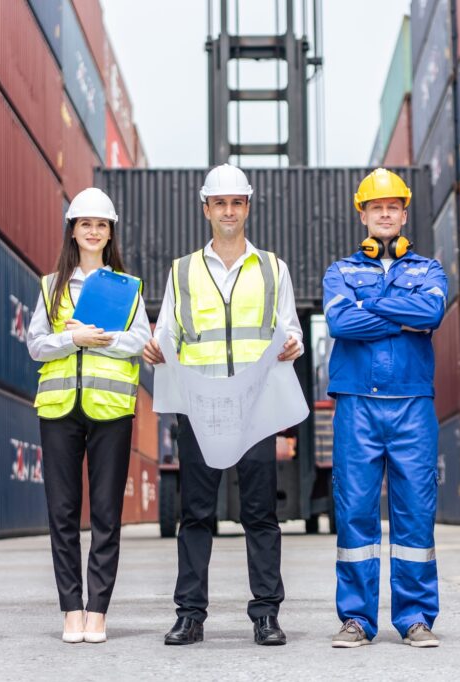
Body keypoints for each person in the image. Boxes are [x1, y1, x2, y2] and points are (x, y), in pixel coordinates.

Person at [143, 163, 303, 647]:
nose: (228, 211)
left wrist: (293, 343)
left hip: (256, 407)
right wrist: (154, 348)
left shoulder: (274, 268)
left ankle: (266, 614)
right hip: (201, 404)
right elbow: (165, 332)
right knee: (195, 512)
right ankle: (190, 614)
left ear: (247, 207)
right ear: (206, 208)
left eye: (237, 202)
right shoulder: (182, 270)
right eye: (220, 203)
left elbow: (289, 327)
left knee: (260, 513)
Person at [321, 169, 448, 648]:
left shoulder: (429, 270)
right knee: (355, 511)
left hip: (413, 403)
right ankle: (356, 619)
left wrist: (371, 305)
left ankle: (415, 618)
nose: (385, 214)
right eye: (377, 207)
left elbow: (431, 314)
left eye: (393, 206)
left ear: (404, 212)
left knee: (415, 511)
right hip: (356, 402)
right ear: (363, 214)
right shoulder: (340, 271)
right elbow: (339, 321)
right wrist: (401, 310)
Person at [27, 187, 151, 644]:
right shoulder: (49, 286)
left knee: (105, 514)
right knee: (61, 513)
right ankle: (70, 609)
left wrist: (99, 339)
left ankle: (97, 609)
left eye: (101, 225)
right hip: (59, 410)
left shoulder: (127, 287)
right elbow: (36, 344)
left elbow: (139, 340)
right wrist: (71, 341)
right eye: (85, 224)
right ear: (73, 231)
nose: (94, 231)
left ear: (110, 232)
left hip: (111, 410)